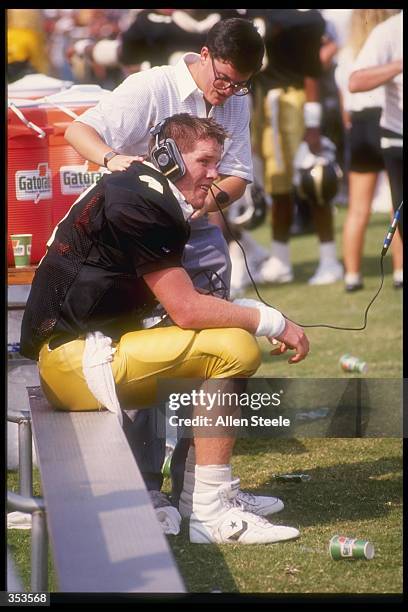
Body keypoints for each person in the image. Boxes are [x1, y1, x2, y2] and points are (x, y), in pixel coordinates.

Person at [20, 113, 309, 544]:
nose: (215, 175)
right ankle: (210, 514)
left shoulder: (143, 189)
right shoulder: (141, 201)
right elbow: (187, 310)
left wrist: (244, 309)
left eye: (218, 162)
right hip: (73, 361)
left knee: (227, 338)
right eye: (205, 161)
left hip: (81, 351)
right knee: (235, 348)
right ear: (169, 156)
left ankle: (201, 496)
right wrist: (272, 320)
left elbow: (173, 305)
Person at [64, 17, 284, 529]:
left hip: (201, 235)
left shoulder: (238, 97)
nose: (227, 92)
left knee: (213, 356)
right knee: (151, 358)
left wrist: (206, 200)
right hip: (141, 239)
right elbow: (78, 130)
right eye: (223, 79)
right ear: (204, 55)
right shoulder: (152, 87)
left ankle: (202, 488)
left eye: (240, 84)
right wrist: (114, 159)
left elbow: (239, 176)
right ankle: (145, 491)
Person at [246, 9, 343, 286]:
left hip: (295, 103)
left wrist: (312, 125)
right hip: (267, 106)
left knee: (315, 182)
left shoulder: (301, 19)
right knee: (278, 188)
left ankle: (329, 259)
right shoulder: (256, 15)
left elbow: (311, 69)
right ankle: (280, 258)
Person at [335, 9, 403, 292]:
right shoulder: (387, 36)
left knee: (359, 208)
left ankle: (352, 275)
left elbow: (344, 104)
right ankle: (400, 271)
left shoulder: (349, 52)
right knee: (394, 206)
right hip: (383, 123)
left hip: (361, 124)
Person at [349, 11, 403, 240]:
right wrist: (399, 65)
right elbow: (355, 81)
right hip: (394, 133)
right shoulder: (390, 30)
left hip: (370, 124)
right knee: (392, 214)